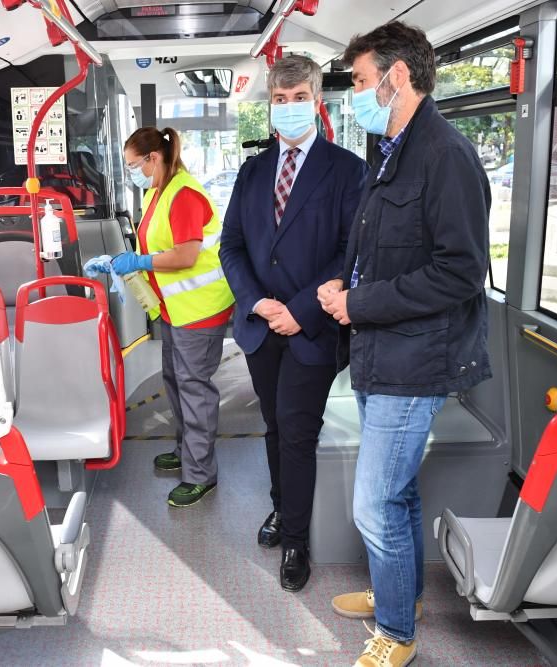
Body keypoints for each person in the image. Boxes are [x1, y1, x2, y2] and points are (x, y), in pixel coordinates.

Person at [317, 21, 492, 667]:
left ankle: (396, 632)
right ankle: (407, 595)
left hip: (415, 358)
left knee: (375, 502)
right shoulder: (389, 148)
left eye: (361, 81)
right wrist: (346, 283)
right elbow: (381, 248)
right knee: (401, 491)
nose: (356, 94)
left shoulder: (443, 155)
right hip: (381, 351)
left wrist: (356, 302)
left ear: (396, 76)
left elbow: (458, 270)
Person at [219, 55, 368, 592]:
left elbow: (351, 253)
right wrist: (258, 303)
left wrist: (297, 310)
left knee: (298, 430)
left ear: (317, 102)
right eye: (277, 101)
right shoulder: (253, 170)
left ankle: (297, 540)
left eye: (297, 98)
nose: (286, 109)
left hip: (312, 327)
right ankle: (283, 509)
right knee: (276, 426)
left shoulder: (346, 169)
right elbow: (231, 245)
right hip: (261, 327)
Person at [97, 127, 235, 508]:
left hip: (200, 308)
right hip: (176, 308)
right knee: (176, 381)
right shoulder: (157, 192)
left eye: (133, 165)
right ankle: (187, 450)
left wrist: (138, 261)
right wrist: (120, 262)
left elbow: (186, 256)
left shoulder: (184, 194)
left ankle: (200, 474)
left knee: (194, 390)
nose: (131, 172)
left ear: (153, 158)